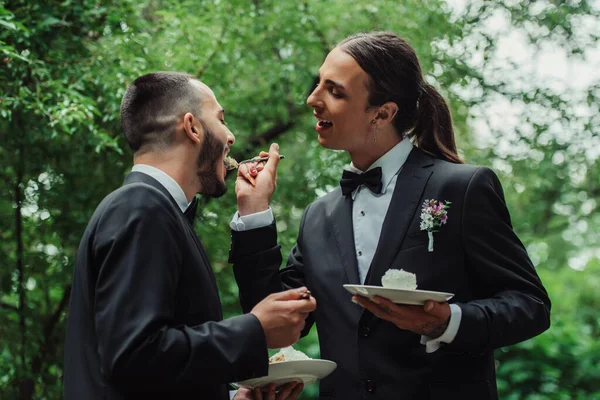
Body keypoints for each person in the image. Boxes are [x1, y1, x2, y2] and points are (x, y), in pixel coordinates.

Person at [228, 32, 551, 400]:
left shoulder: (462, 188)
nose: (312, 99)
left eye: (335, 91)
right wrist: (253, 214)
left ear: (382, 113)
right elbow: (276, 320)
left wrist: (447, 322)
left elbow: (531, 305)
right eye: (318, 84)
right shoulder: (318, 216)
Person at [63, 72, 315, 400]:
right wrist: (254, 330)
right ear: (192, 127)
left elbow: (153, 368)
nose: (231, 137)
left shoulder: (155, 209)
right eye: (221, 120)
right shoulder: (141, 206)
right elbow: (133, 355)